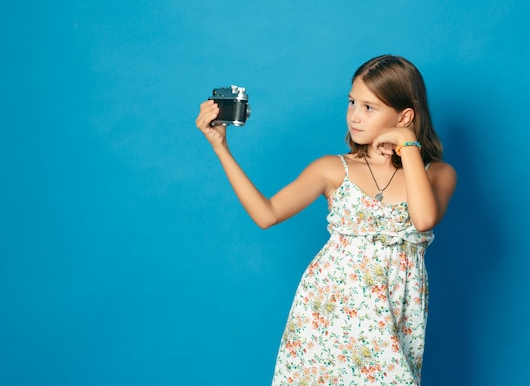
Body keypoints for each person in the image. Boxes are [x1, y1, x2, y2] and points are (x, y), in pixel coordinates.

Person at [195, 55, 457, 385]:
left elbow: (423, 219)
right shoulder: (333, 168)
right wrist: (221, 147)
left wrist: (408, 146)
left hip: (391, 323)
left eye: (369, 107)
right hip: (326, 313)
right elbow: (267, 214)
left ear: (404, 116)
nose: (354, 116)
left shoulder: (438, 174)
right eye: (351, 102)